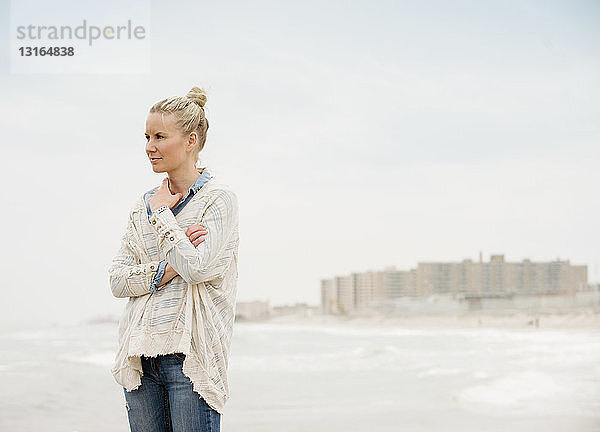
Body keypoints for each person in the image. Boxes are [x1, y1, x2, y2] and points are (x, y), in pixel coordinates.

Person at [108, 86, 239, 432]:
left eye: (160, 136)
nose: (149, 147)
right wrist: (168, 267)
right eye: (147, 136)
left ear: (191, 140)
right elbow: (118, 280)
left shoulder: (218, 200)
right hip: (140, 357)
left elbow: (198, 269)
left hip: (190, 358)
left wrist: (164, 220)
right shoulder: (144, 205)